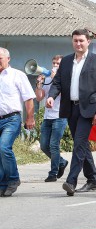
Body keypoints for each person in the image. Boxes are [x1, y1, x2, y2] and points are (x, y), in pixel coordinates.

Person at [47, 29, 96, 196]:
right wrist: (52, 96)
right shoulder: (66, 61)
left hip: (88, 110)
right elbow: (57, 82)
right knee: (82, 145)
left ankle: (71, 181)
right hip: (70, 108)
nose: (78, 44)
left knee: (79, 144)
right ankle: (93, 179)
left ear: (88, 41)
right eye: (75, 41)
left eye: (81, 40)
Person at [0, 47, 36, 197]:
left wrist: (30, 117)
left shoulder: (17, 75)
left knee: (3, 147)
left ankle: (14, 179)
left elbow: (28, 98)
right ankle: (3, 184)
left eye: (0, 58)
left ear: (8, 59)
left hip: (12, 118)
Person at [35, 55, 68, 183]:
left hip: (59, 116)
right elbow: (39, 98)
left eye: (58, 63)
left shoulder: (65, 78)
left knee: (54, 145)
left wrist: (56, 78)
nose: (55, 65)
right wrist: (39, 85)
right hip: (47, 117)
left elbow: (64, 93)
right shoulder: (48, 78)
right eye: (54, 62)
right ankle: (62, 162)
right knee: (44, 145)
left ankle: (53, 173)